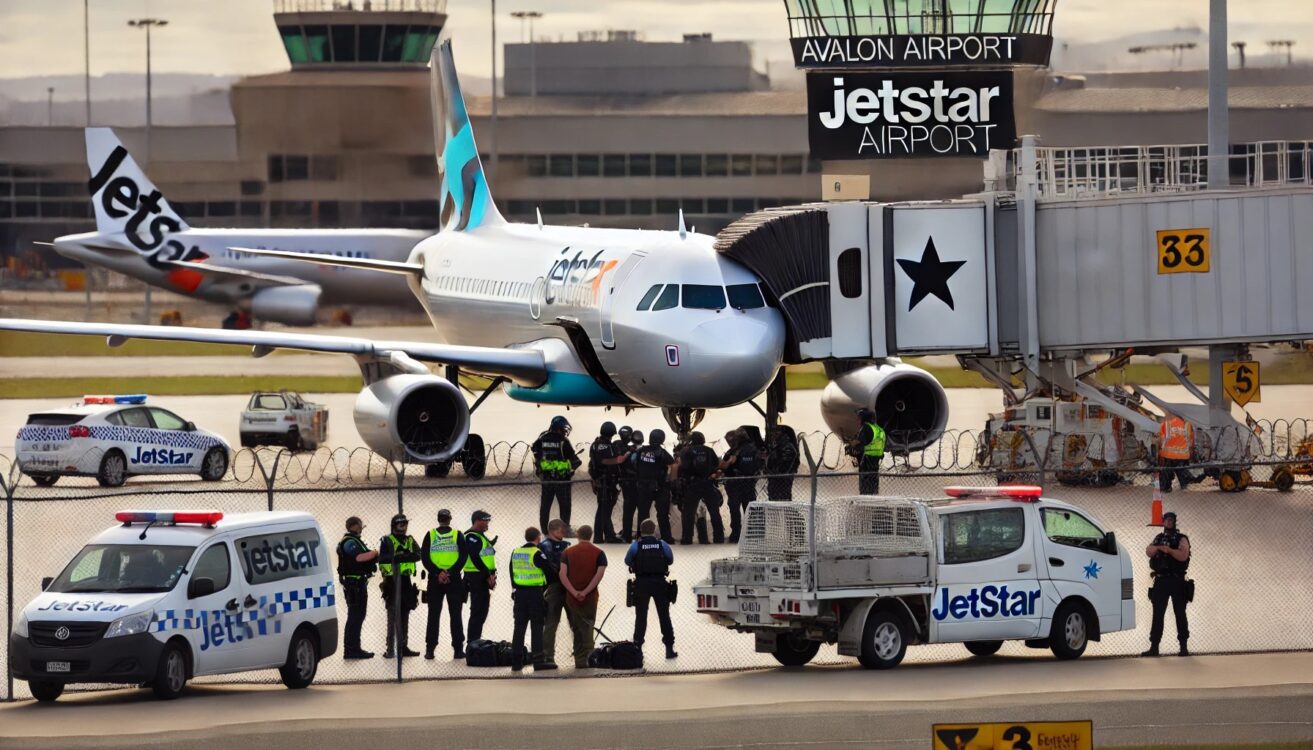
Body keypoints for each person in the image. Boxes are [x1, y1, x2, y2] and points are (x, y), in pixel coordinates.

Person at [420, 509, 468, 660]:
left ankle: (430, 650)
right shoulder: (457, 534)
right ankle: (458, 649)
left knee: (433, 615)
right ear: (450, 519)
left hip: (436, 579)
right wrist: (450, 572)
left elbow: (425, 557)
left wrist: (438, 573)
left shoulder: (430, 535)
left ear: (438, 519)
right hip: (452, 579)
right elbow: (463, 556)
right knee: (456, 615)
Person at [1142, 511, 1192, 657]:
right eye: (1167, 520)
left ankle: (1183, 647)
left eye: (1171, 520)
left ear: (1175, 522)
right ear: (1163, 522)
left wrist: (1169, 550)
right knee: (1158, 614)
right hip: (1161, 581)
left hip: (1177, 580)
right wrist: (1158, 548)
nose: (1169, 522)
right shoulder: (1159, 538)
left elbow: (1183, 556)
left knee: (1180, 614)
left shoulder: (1181, 538)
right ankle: (1154, 647)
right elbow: (1149, 551)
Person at [625, 519, 677, 659]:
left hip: (642, 583)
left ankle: (638, 648)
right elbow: (670, 559)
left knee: (641, 617)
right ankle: (669, 649)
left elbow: (628, 561)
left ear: (641, 530)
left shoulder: (636, 545)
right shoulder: (662, 544)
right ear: (654, 530)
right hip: (659, 582)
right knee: (664, 616)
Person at [560, 524, 608, 669]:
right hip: (590, 597)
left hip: (571, 597)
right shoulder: (599, 553)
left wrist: (574, 592)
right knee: (588, 625)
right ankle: (590, 658)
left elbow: (562, 574)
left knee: (576, 627)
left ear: (577, 535)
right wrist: (586, 591)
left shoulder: (567, 552)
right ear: (591, 535)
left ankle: (579, 660)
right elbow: (599, 575)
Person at [509, 526, 553, 672]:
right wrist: (543, 587)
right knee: (537, 627)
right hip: (535, 593)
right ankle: (538, 661)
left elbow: (512, 574)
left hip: (519, 594)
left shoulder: (515, 552)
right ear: (538, 537)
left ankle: (516, 662)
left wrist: (516, 588)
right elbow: (550, 572)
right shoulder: (537, 553)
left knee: (519, 627)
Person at [378, 513, 421, 658]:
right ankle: (390, 649)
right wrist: (397, 557)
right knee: (392, 615)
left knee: (405, 614)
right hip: (391, 580)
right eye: (401, 524)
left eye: (405, 524)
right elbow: (382, 558)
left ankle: (403, 647)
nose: (404, 527)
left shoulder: (410, 539)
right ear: (394, 525)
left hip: (406, 580)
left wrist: (401, 556)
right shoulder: (386, 540)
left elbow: (418, 554)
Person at [337, 516, 379, 659]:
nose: (361, 528)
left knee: (358, 616)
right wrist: (375, 553)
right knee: (355, 617)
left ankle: (355, 648)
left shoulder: (353, 540)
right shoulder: (349, 542)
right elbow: (359, 558)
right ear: (353, 526)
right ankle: (351, 650)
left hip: (358, 584)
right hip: (354, 585)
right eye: (360, 526)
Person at [531, 415, 582, 532]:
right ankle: (564, 529)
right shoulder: (563, 441)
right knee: (565, 507)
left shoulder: (541, 438)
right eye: (563, 429)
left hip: (547, 480)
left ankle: (544, 530)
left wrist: (543, 466)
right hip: (562, 480)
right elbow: (576, 461)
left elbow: (535, 452)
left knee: (545, 506)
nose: (564, 432)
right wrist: (569, 467)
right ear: (558, 428)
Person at [678, 432, 724, 544]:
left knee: (688, 512)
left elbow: (683, 467)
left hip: (693, 484)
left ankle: (687, 538)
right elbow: (716, 465)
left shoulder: (686, 451)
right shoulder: (709, 450)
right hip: (708, 483)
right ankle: (719, 538)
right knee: (714, 512)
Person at [538, 518, 571, 670]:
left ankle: (579, 654)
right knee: (551, 623)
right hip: (557, 587)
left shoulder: (546, 546)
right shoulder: (547, 546)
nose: (564, 533)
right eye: (562, 530)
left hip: (561, 586)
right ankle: (548, 656)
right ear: (554, 530)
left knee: (570, 622)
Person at [634, 429, 679, 543]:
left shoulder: (640, 451)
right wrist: (671, 479)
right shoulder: (661, 452)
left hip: (643, 486)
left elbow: (634, 463)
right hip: (660, 487)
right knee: (663, 514)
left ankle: (642, 537)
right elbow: (674, 465)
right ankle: (666, 538)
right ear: (661, 439)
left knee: (643, 513)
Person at [588, 422, 629, 543]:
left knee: (603, 509)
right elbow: (605, 461)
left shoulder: (595, 444)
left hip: (600, 480)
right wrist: (625, 456)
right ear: (611, 433)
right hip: (607, 481)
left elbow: (594, 463)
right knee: (604, 510)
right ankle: (602, 537)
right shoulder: (605, 446)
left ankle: (605, 535)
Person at [462, 510, 497, 643]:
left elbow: (486, 556)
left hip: (484, 577)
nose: (488, 523)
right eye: (485, 520)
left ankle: (475, 639)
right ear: (477, 521)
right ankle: (472, 642)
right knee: (477, 611)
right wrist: (488, 575)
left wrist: (492, 576)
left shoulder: (480, 536)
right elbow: (475, 557)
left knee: (482, 610)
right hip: (476, 577)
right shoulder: (472, 537)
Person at [722, 428, 762, 544]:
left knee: (735, 509)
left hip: (735, 485)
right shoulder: (754, 449)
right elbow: (759, 466)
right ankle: (753, 535)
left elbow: (724, 466)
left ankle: (736, 535)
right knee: (750, 509)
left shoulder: (733, 451)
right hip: (749, 484)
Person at [850, 408, 886, 495]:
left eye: (859, 419)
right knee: (874, 480)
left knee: (865, 482)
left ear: (863, 419)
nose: (857, 421)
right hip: (876, 459)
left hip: (866, 459)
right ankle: (873, 496)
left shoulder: (866, 428)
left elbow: (860, 444)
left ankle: (865, 499)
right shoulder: (878, 429)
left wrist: (851, 447)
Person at [1158, 414, 1194, 492]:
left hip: (1168, 455)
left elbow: (1161, 439)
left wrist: (1160, 452)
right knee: (1182, 474)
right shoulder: (1188, 424)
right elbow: (1190, 441)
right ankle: (1184, 487)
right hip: (1183, 455)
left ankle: (1166, 488)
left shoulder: (1166, 423)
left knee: (1166, 474)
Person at [618, 427, 642, 542]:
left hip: (628, 484)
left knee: (628, 511)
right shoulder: (644, 451)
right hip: (640, 485)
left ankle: (626, 535)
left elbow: (622, 464)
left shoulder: (628, 450)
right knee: (642, 511)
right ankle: (641, 535)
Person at [765, 424, 799, 501]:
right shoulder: (778, 447)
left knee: (783, 505)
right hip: (775, 484)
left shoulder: (787, 447)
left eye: (776, 432)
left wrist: (771, 472)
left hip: (782, 484)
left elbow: (783, 469)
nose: (773, 435)